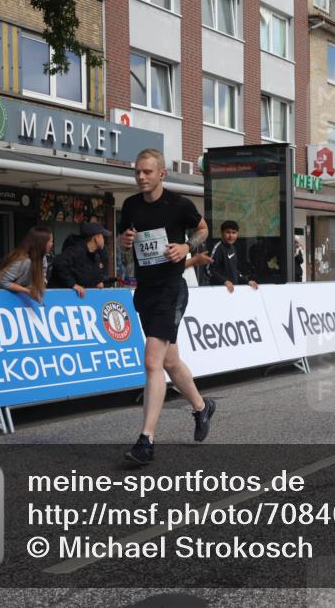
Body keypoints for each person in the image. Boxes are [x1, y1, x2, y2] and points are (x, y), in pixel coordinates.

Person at [119, 149, 214, 465]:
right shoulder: (130, 206)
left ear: (162, 174)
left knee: (152, 362)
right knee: (170, 362)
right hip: (145, 290)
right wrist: (125, 242)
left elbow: (203, 229)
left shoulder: (179, 205)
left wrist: (187, 246)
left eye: (147, 172)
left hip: (171, 290)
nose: (141, 177)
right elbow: (125, 239)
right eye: (137, 172)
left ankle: (146, 439)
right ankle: (202, 407)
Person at [0, 226, 53, 303]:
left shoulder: (43, 258)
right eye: (50, 241)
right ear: (42, 243)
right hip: (3, 300)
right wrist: (26, 291)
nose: (52, 244)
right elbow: (2, 281)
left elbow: (43, 278)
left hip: (21, 300)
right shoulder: (22, 261)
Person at [51, 223, 111, 297]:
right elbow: (58, 263)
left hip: (78, 300)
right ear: (96, 238)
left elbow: (90, 274)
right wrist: (73, 284)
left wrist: (98, 282)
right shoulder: (75, 250)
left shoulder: (95, 256)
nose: (104, 240)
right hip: (59, 298)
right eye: (103, 237)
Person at [207, 220, 259, 293]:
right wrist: (224, 281)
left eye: (234, 233)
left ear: (237, 234)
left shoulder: (233, 248)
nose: (231, 236)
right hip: (219, 291)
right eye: (228, 232)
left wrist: (247, 281)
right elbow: (209, 270)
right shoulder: (218, 248)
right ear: (222, 233)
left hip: (233, 291)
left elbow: (235, 271)